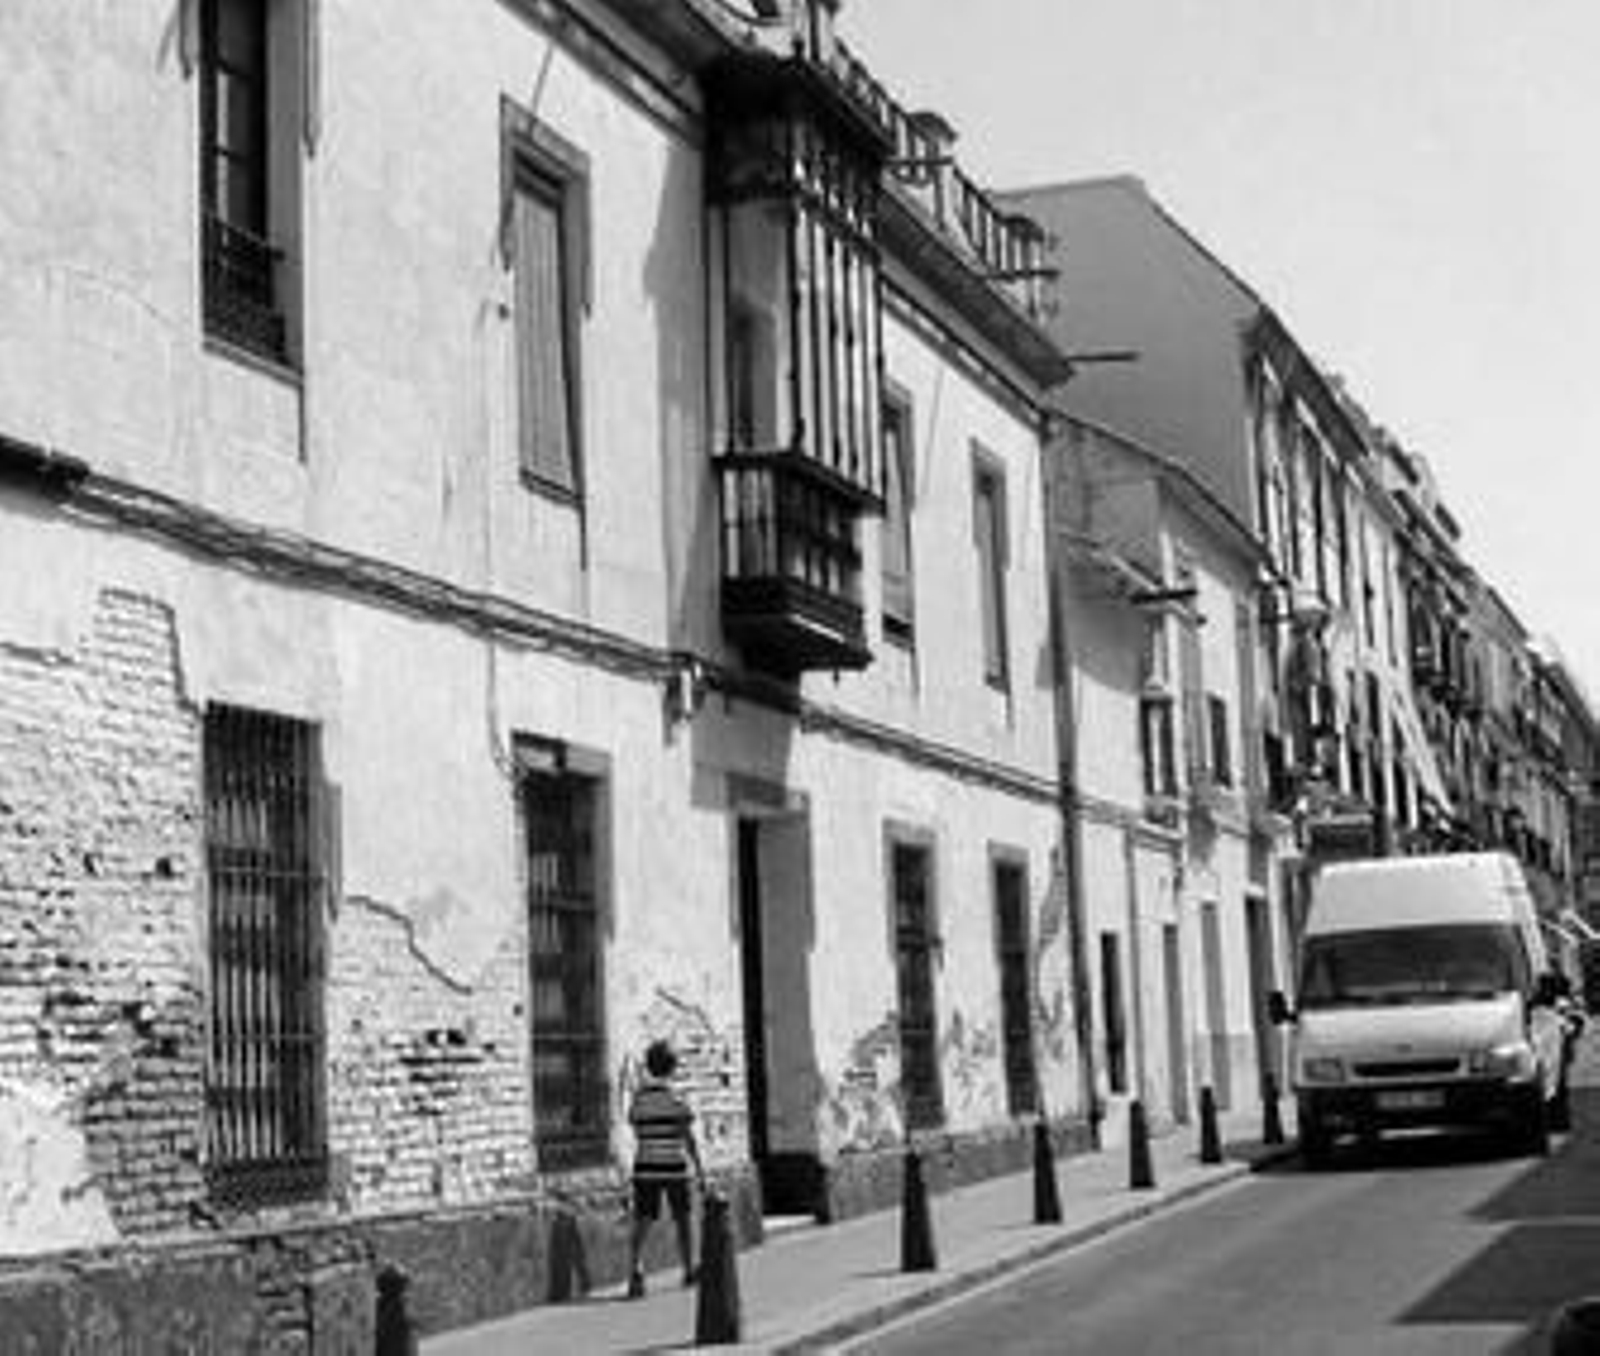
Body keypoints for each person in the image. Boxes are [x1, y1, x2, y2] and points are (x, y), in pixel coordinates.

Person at [626, 1039, 704, 1298]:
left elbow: (636, 1127)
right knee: (682, 1218)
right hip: (674, 1166)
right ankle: (688, 1268)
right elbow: (687, 1136)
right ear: (672, 1067)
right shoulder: (677, 1097)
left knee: (643, 1219)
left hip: (645, 1164)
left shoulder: (640, 1097)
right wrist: (700, 1169)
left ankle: (636, 1267)